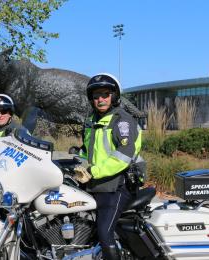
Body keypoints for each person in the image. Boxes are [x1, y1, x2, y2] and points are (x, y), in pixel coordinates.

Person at [73, 73, 143, 260]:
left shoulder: (122, 121)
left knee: (104, 233)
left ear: (114, 96)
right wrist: (76, 165)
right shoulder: (92, 121)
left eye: (105, 94)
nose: (100, 99)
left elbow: (123, 155)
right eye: (96, 96)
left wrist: (92, 171)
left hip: (119, 186)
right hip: (98, 184)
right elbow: (87, 151)